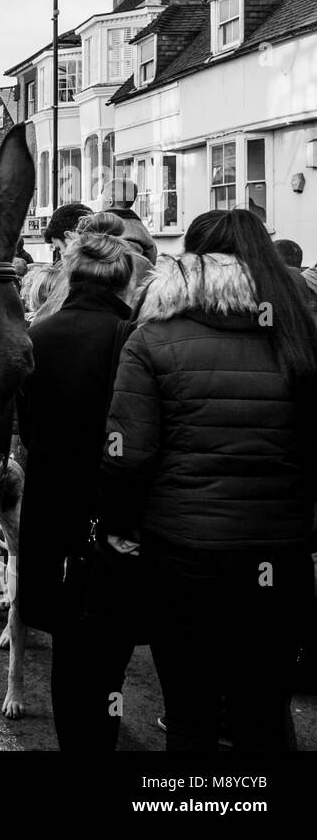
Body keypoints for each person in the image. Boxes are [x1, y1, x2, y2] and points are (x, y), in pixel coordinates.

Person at [101, 209, 317, 751]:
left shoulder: (154, 338)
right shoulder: (300, 335)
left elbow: (128, 454)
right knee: (264, 709)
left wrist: (120, 526)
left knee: (191, 709)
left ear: (191, 262)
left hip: (185, 552)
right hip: (281, 551)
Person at [16, 227, 139, 751]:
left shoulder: (37, 338)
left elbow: (20, 426)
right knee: (108, 654)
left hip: (49, 510)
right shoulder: (130, 336)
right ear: (124, 279)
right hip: (109, 511)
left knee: (67, 648)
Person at [101, 178, 157, 263]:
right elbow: (152, 256)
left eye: (101, 198)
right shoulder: (141, 229)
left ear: (110, 202)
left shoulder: (103, 226)